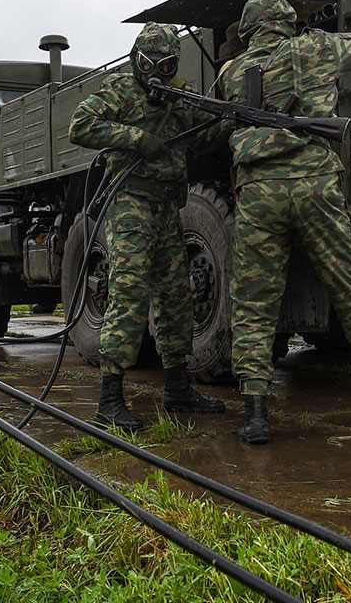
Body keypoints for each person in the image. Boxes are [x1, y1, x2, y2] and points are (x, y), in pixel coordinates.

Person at [219, 0, 351, 445]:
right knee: (349, 287)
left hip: (258, 193)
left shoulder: (231, 73)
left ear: (249, 28)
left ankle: (255, 414)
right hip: (315, 185)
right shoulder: (318, 47)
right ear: (287, 22)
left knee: (253, 301)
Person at [69, 22, 228, 431]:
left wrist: (233, 115)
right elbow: (80, 125)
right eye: (149, 64)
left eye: (167, 64)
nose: (158, 72)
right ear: (136, 62)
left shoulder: (178, 98)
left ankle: (176, 388)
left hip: (166, 208)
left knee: (177, 297)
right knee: (129, 295)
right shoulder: (120, 92)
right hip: (131, 206)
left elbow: (207, 134)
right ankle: (109, 400)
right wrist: (137, 139)